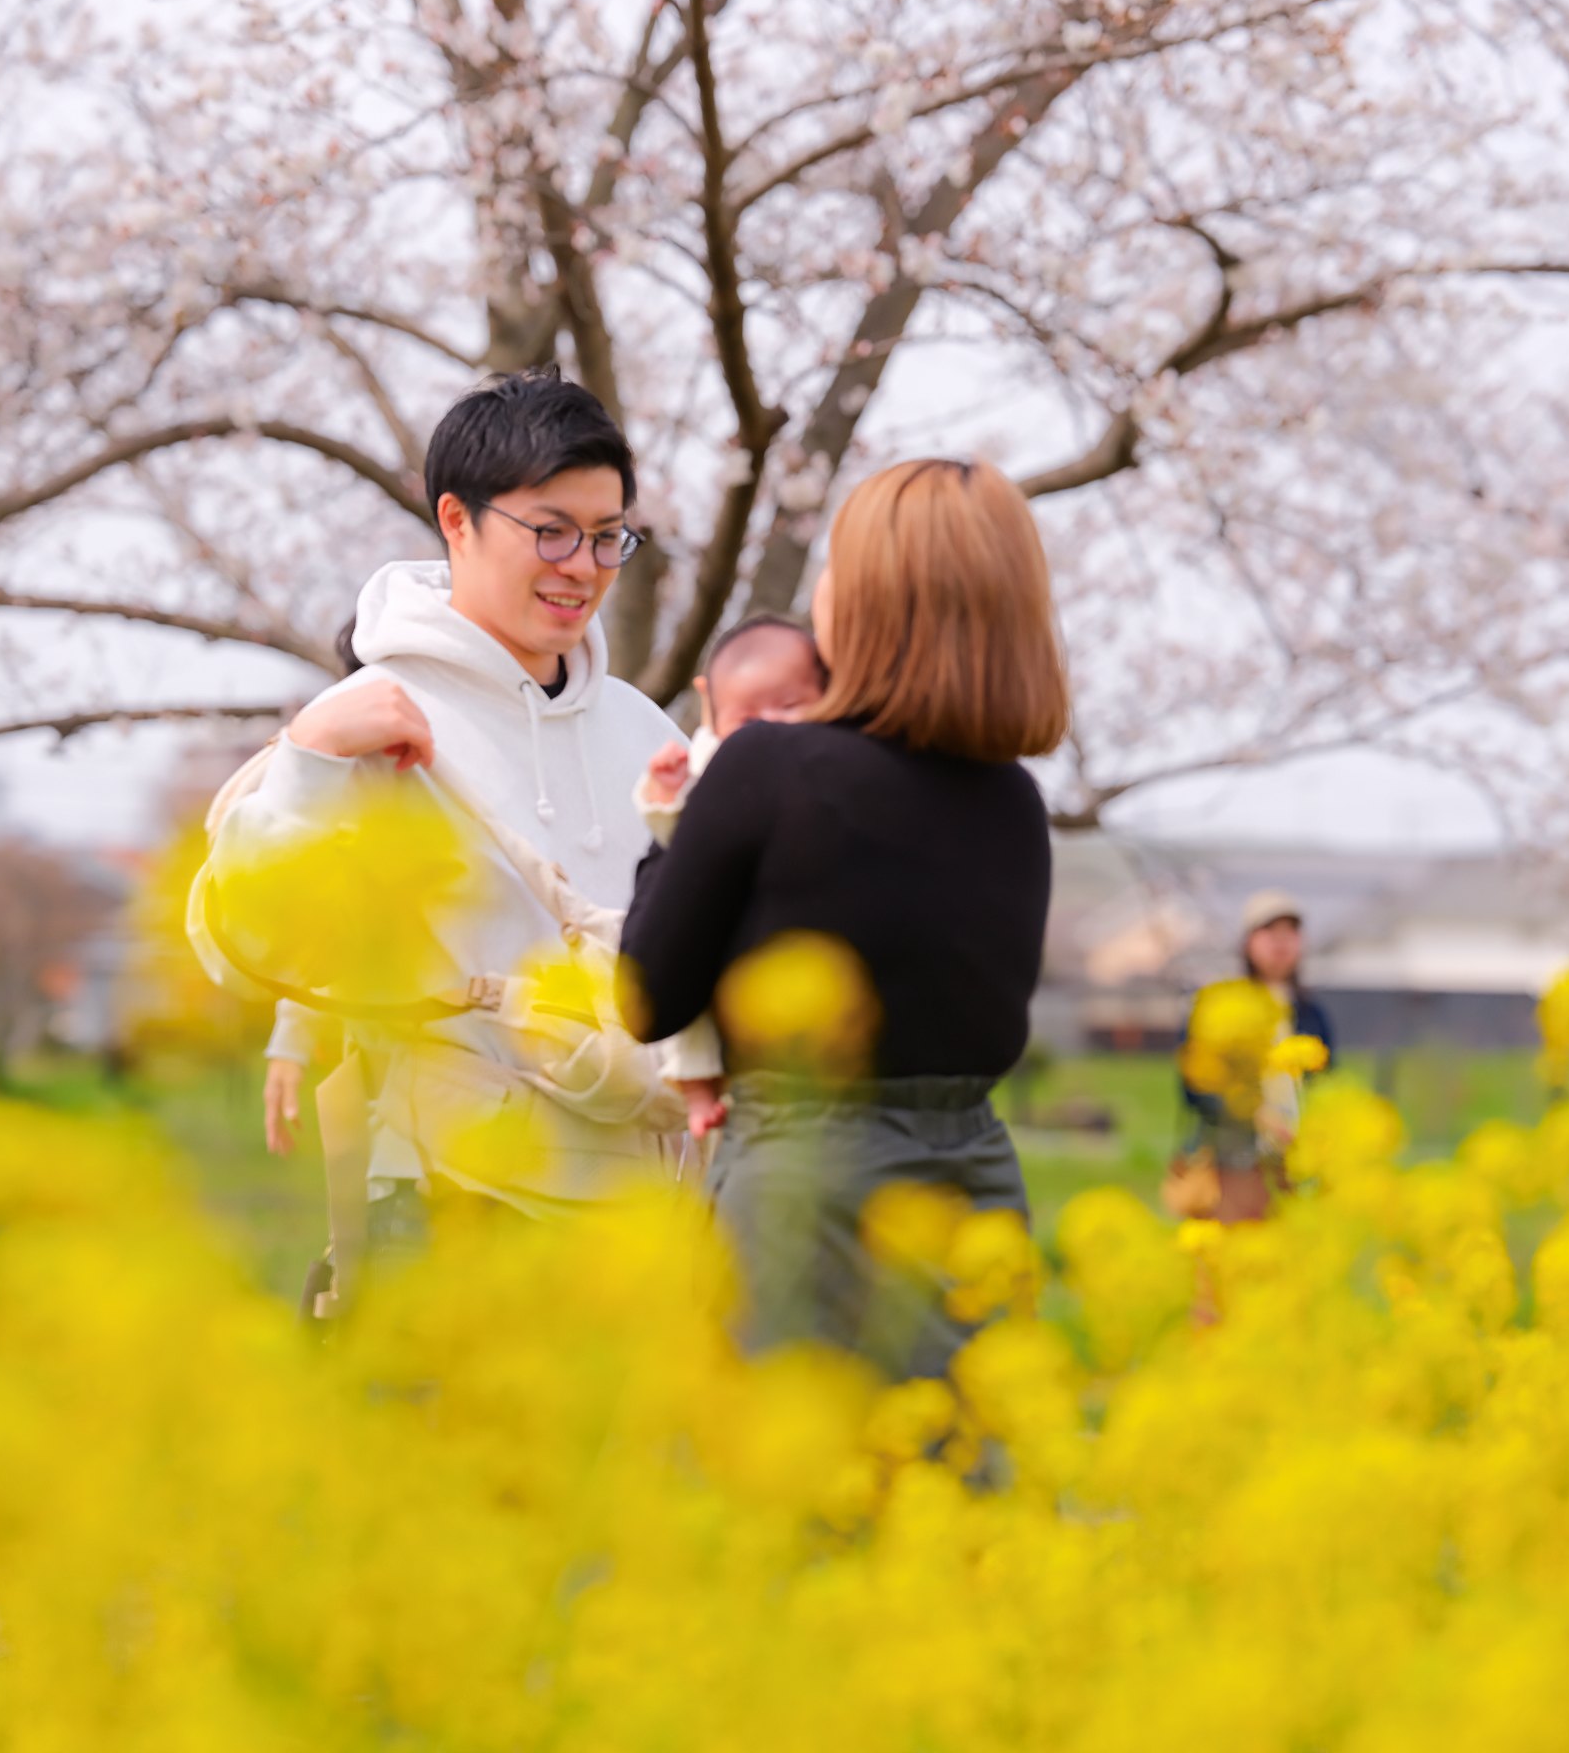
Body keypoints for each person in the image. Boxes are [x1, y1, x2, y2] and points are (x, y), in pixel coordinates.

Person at [193, 368, 687, 1288]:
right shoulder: (368, 719)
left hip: (642, 1220)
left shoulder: (644, 730)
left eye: (607, 537)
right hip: (447, 1203)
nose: (580, 565)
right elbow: (241, 945)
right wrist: (308, 757)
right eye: (550, 531)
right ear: (457, 521)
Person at [620, 457, 1070, 1378]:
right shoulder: (1015, 803)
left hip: (802, 1191)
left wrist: (666, 829)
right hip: (972, 1188)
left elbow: (645, 997)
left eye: (837, 567)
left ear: (869, 604)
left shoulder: (767, 769)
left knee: (780, 1497)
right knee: (956, 1489)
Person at [633, 612, 830, 1135]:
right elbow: (676, 838)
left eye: (789, 707)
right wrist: (668, 796)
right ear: (713, 714)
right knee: (695, 1019)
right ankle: (697, 1095)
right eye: (747, 719)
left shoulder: (835, 762)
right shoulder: (711, 760)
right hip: (717, 931)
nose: (767, 728)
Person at [1171, 891, 1337, 1225]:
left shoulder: (1311, 1014)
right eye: (1269, 932)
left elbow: (1328, 1084)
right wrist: (1253, 1113)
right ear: (1247, 942)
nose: (1280, 943)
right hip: (1232, 1161)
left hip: (1296, 1165)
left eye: (1290, 933)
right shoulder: (1220, 1005)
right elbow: (1195, 1087)